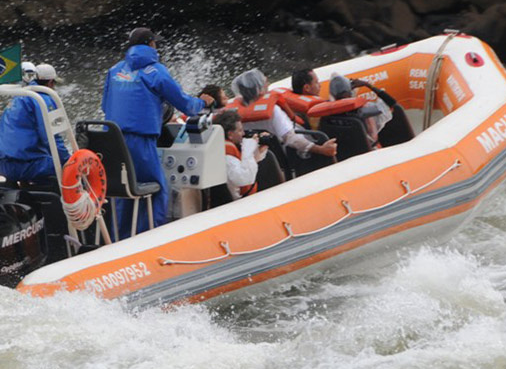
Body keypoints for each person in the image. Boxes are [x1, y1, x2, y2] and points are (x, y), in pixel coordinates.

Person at [102, 27, 215, 234]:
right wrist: (202, 102)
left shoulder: (114, 70)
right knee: (157, 189)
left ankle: (123, 239)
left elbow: (105, 105)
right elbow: (186, 105)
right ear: (151, 44)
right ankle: (152, 236)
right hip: (140, 141)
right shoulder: (156, 71)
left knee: (124, 190)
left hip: (112, 140)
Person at [229, 69, 337, 161]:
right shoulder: (273, 111)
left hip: (260, 159)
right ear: (259, 88)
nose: (268, 85)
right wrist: (322, 149)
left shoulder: (235, 116)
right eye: (265, 83)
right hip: (291, 157)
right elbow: (292, 139)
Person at [0, 62, 69, 184]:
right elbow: (51, 137)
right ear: (50, 82)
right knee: (71, 167)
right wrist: (69, 160)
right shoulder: (43, 100)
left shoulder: (20, 96)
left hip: (1, 163)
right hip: (24, 165)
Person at [328, 72, 393, 148]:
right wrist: (368, 85)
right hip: (371, 149)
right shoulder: (365, 110)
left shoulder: (328, 116)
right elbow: (390, 104)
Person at [213, 109, 266, 200]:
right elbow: (245, 178)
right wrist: (249, 146)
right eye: (240, 130)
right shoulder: (226, 155)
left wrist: (258, 151)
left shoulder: (223, 148)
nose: (243, 133)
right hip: (239, 202)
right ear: (230, 134)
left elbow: (243, 164)